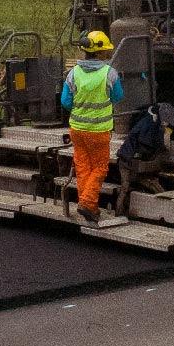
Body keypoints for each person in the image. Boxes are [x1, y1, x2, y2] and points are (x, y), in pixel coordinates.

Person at [59, 30, 124, 225]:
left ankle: (89, 206)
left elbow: (65, 101)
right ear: (99, 53)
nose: (107, 53)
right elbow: (117, 96)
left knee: (83, 168)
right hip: (98, 131)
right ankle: (87, 203)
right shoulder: (109, 73)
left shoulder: (73, 73)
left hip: (77, 130)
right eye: (105, 50)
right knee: (99, 168)